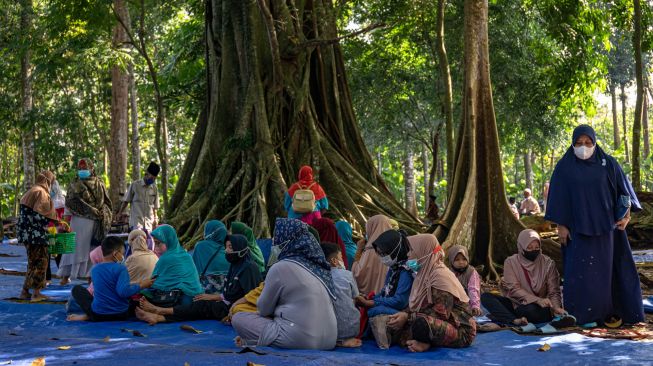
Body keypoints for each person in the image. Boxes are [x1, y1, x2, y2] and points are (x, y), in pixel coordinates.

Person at [545, 124, 644, 326]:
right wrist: (561, 225)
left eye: (588, 143)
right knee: (581, 275)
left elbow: (623, 191)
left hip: (608, 231)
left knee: (609, 273)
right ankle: (582, 315)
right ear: (573, 144)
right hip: (576, 232)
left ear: (594, 142)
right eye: (579, 143)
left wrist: (626, 215)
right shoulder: (565, 167)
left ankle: (612, 312)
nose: (583, 147)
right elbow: (558, 196)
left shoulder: (608, 163)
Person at [231, 218, 338, 350]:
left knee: (238, 317)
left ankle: (255, 341)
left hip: (300, 339)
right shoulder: (318, 267)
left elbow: (264, 309)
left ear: (286, 240)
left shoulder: (280, 267)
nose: (274, 244)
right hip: (329, 341)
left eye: (277, 238)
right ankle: (254, 341)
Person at [135, 234, 262, 324]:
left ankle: (160, 312)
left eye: (231, 248)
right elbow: (231, 293)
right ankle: (159, 317)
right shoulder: (236, 265)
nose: (226, 251)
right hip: (227, 304)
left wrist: (233, 308)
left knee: (198, 308)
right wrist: (213, 296)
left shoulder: (249, 268)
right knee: (197, 307)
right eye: (226, 247)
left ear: (240, 249)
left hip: (239, 309)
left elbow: (250, 296)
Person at [387, 234, 476, 352]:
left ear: (424, 251)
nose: (409, 255)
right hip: (436, 321)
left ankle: (424, 342)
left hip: (459, 330)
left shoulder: (440, 277)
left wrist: (407, 316)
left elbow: (441, 313)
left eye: (412, 251)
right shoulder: (424, 274)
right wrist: (404, 313)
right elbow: (419, 306)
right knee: (394, 325)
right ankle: (423, 340)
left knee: (421, 324)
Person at [481, 229, 566, 326]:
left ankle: (505, 316)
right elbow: (514, 289)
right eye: (529, 248)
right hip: (516, 303)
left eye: (536, 247)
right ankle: (514, 320)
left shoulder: (548, 264)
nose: (533, 251)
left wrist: (556, 307)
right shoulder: (511, 262)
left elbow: (554, 291)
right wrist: (536, 299)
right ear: (521, 247)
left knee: (529, 311)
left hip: (539, 307)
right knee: (486, 297)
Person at [67, 236, 154, 322]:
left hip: (98, 315)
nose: (123, 256)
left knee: (77, 289)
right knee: (138, 302)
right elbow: (123, 292)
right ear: (115, 254)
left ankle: (88, 316)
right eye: (122, 253)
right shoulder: (121, 268)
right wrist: (142, 285)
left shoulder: (95, 269)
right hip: (121, 314)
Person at [357, 229, 414, 349]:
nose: (382, 258)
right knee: (371, 308)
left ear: (395, 250)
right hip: (394, 307)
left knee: (374, 310)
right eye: (380, 254)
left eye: (384, 254)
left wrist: (372, 302)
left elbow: (400, 301)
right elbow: (385, 291)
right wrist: (370, 297)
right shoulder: (393, 268)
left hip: (405, 312)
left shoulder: (406, 271)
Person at [59, 158, 112, 285]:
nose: (82, 171)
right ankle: (66, 276)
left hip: (94, 223)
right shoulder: (74, 184)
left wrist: (102, 215)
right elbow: (69, 204)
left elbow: (106, 203)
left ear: (91, 168)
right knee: (72, 249)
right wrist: (65, 222)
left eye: (85, 168)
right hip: (77, 222)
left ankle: (90, 277)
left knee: (92, 250)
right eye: (80, 169)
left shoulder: (100, 184)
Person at [17, 171, 59, 301]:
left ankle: (24, 292)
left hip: (26, 233)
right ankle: (36, 293)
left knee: (32, 263)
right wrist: (53, 222)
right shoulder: (41, 192)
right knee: (41, 261)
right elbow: (39, 215)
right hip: (35, 234)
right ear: (48, 181)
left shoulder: (32, 190)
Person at [144, 224, 203, 307]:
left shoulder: (165, 258)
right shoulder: (186, 255)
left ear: (169, 241)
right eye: (155, 243)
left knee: (144, 293)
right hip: (195, 300)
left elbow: (153, 283)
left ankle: (157, 311)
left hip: (176, 300)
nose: (155, 248)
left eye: (158, 243)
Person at [321, 242, 361, 348]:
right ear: (334, 261)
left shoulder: (318, 275)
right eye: (341, 257)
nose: (342, 260)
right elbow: (356, 297)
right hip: (350, 330)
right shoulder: (347, 274)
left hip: (323, 331)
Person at [351, 215, 393, 295]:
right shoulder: (395, 249)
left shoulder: (370, 251)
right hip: (390, 300)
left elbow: (357, 274)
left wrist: (358, 250)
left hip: (370, 300)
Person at [118, 162, 160, 232]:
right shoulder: (135, 185)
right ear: (146, 174)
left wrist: (155, 219)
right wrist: (119, 213)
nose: (152, 180)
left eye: (154, 179)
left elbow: (155, 207)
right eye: (151, 178)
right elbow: (126, 201)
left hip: (149, 224)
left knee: (148, 242)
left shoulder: (154, 189)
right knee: (137, 242)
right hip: (136, 223)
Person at [192, 220, 230, 294]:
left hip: (206, 291)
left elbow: (194, 269)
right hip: (227, 291)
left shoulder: (201, 246)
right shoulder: (230, 248)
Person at [447, 245, 482, 317]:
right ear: (451, 260)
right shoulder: (448, 272)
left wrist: (475, 305)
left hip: (467, 301)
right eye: (457, 260)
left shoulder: (471, 272)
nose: (461, 262)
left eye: (464, 259)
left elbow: (473, 289)